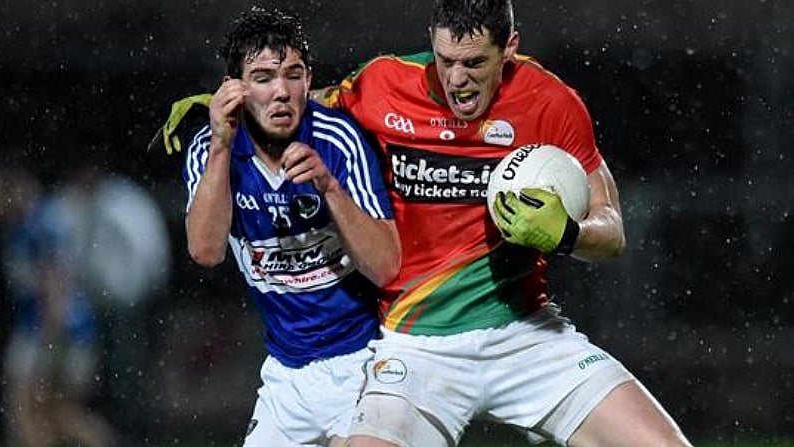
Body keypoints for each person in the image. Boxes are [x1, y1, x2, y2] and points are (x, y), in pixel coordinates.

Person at [159, 1, 692, 445]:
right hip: (418, 348)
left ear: (509, 48)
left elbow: (612, 230)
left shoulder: (551, 104)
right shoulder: (386, 83)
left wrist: (568, 234)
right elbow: (305, 101)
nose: (458, 81)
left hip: (528, 336)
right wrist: (222, 108)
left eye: (475, 64)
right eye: (445, 61)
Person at [180, 6, 400, 447]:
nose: (282, 92)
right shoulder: (210, 149)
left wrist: (330, 188)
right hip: (286, 374)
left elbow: (387, 266)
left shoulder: (338, 139)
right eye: (263, 78)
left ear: (308, 79)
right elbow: (206, 251)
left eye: (293, 74)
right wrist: (223, 144)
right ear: (235, 89)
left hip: (364, 358)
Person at [0, 164, 116, 447]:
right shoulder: (29, 224)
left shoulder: (36, 226)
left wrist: (50, 341)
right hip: (60, 328)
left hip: (57, 331)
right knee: (53, 411)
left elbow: (55, 285)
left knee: (26, 405)